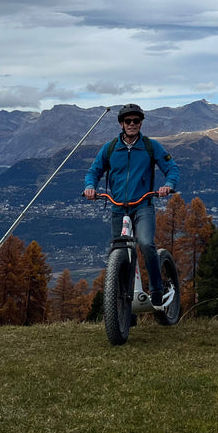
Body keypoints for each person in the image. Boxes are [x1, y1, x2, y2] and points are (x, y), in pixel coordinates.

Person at [84, 103, 179, 308]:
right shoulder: (110, 149)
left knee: (145, 243)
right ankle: (124, 305)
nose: (132, 124)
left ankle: (156, 290)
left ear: (141, 123)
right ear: (121, 124)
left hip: (143, 205)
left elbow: (171, 168)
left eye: (136, 120)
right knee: (118, 252)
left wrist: (168, 185)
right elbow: (94, 171)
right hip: (118, 207)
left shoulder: (150, 146)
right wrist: (90, 186)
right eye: (128, 121)